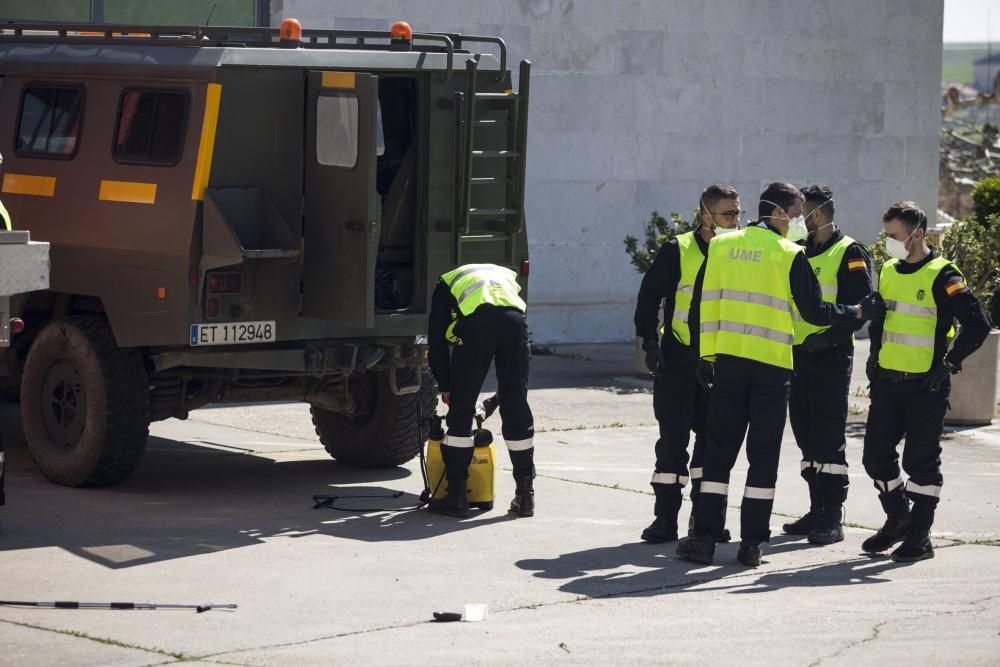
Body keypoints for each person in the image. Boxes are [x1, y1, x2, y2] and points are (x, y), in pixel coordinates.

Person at [676, 182, 885, 567]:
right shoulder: (789, 254)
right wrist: (856, 313)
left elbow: (700, 306)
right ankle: (752, 544)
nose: (797, 224)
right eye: (794, 215)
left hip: (728, 365)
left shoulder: (721, 247)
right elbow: (815, 312)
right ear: (777, 213)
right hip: (773, 369)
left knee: (719, 452)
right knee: (763, 456)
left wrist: (704, 357)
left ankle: (704, 538)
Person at [861, 202, 989, 562]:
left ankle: (920, 536)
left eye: (894, 236)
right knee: (875, 459)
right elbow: (881, 321)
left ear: (917, 233)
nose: (889, 243)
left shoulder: (943, 275)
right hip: (887, 382)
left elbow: (976, 325)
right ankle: (898, 518)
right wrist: (874, 356)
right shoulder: (887, 269)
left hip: (925, 386)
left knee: (921, 462)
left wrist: (948, 363)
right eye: (887, 235)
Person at [633, 183, 742, 544]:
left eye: (738, 213)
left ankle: (706, 519)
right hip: (679, 359)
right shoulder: (677, 249)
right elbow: (649, 298)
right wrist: (651, 343)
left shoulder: (740, 252)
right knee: (672, 442)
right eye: (728, 214)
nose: (736, 220)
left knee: (713, 445)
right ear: (705, 215)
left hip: (720, 361)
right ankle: (665, 519)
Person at [783, 185, 873, 546]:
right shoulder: (798, 251)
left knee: (828, 438)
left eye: (798, 213)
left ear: (815, 214)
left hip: (831, 356)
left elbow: (860, 310)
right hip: (798, 356)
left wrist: (826, 338)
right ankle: (816, 508)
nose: (793, 220)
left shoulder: (849, 252)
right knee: (805, 434)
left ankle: (833, 516)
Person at [426, 263, 535, 519]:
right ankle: (525, 495)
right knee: (516, 407)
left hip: (478, 326)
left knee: (461, 412)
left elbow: (437, 343)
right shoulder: (506, 276)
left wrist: (446, 385)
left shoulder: (445, 284)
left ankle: (457, 497)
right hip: (516, 324)